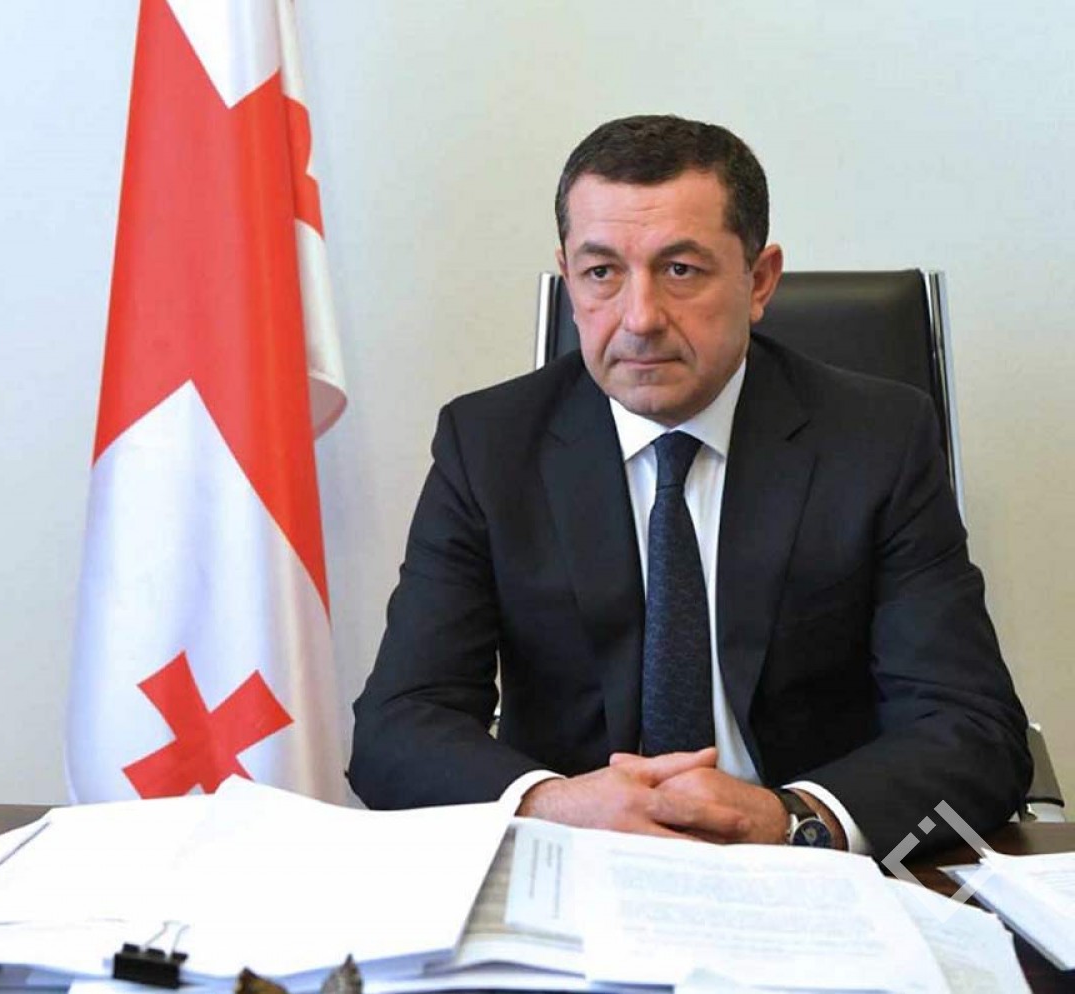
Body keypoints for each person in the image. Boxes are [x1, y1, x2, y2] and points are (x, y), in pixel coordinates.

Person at [348, 114, 1031, 859]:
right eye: (602, 272)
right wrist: (555, 804)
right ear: (569, 276)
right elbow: (397, 725)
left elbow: (973, 730)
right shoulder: (488, 445)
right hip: (573, 864)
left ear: (759, 280)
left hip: (797, 868)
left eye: (680, 270)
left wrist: (790, 818)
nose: (639, 318)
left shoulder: (877, 441)